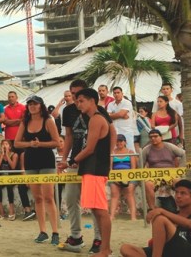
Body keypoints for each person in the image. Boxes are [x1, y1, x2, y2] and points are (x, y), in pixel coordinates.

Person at [57, 79, 103, 254]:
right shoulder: (68, 110)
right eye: (73, 93)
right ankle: (76, 236)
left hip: (93, 162)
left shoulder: (97, 111)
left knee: (94, 202)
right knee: (70, 199)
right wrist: (64, 159)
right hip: (74, 160)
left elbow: (109, 133)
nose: (76, 98)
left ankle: (99, 238)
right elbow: (68, 136)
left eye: (79, 94)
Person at [14, 95, 60, 245]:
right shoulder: (25, 122)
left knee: (49, 197)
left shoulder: (48, 120)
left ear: (41, 106)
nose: (32, 106)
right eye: (30, 104)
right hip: (31, 161)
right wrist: (30, 144)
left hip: (46, 160)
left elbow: (57, 142)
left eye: (35, 104)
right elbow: (17, 143)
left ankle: (55, 232)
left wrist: (40, 144)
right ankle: (42, 231)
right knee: (38, 198)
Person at [73, 88, 114, 257]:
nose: (78, 104)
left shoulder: (96, 119)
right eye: (77, 101)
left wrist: (71, 161)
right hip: (94, 168)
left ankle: (105, 249)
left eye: (81, 101)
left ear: (92, 101)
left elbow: (89, 149)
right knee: (97, 211)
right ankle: (105, 248)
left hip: (95, 169)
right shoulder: (96, 119)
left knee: (101, 211)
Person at [120, 179, 191, 257]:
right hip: (169, 251)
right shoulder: (172, 215)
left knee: (160, 219)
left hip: (190, 252)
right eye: (176, 192)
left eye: (183, 193)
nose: (178, 196)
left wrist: (161, 210)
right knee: (126, 248)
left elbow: (189, 224)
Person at [142, 128, 186, 212]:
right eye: (151, 137)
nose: (153, 138)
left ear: (161, 137)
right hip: (154, 175)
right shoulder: (146, 149)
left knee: (178, 182)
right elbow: (140, 164)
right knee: (148, 184)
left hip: (170, 174)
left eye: (155, 136)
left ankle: (181, 208)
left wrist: (180, 169)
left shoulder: (169, 146)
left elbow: (183, 154)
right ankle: (152, 209)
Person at [110, 135, 137, 221]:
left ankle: (133, 216)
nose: (119, 143)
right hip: (115, 176)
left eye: (121, 141)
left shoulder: (130, 152)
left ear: (125, 142)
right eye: (117, 141)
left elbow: (133, 168)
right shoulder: (112, 152)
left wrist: (127, 180)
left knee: (129, 191)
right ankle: (112, 215)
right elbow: (110, 168)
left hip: (129, 175)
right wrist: (116, 180)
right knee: (114, 192)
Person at [107, 86, 136, 151]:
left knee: (130, 150)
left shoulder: (127, 103)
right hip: (114, 131)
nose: (116, 94)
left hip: (126, 131)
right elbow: (107, 117)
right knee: (114, 151)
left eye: (118, 92)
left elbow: (120, 114)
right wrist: (120, 115)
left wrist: (114, 115)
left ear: (122, 93)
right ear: (113, 94)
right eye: (115, 93)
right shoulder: (110, 104)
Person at [0, 139, 16, 220]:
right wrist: (2, 155)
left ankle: (11, 210)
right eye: (3, 144)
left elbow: (13, 167)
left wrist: (7, 155)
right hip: (2, 177)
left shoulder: (14, 155)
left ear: (10, 147)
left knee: (9, 186)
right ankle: (1, 210)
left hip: (11, 177)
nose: (4, 146)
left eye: (6, 144)